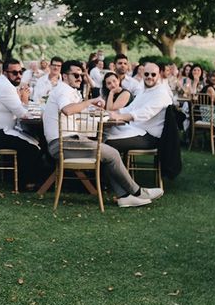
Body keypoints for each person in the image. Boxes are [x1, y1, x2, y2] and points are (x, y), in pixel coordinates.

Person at [43, 60, 163, 208]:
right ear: (65, 76)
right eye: (75, 75)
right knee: (112, 153)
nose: (80, 78)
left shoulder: (67, 90)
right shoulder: (63, 90)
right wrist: (90, 102)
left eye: (81, 75)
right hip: (63, 144)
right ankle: (138, 192)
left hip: (66, 141)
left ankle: (124, 197)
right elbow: (67, 110)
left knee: (106, 154)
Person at [0, 59, 42, 187]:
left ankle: (25, 177)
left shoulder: (3, 83)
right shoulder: (5, 87)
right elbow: (23, 114)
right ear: (4, 72)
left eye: (21, 72)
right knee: (32, 146)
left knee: (35, 141)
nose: (19, 75)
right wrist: (24, 100)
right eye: (14, 72)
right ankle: (26, 183)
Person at [106, 62, 173, 155]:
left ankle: (112, 169)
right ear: (143, 74)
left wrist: (119, 117)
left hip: (150, 137)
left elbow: (144, 113)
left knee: (107, 143)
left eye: (153, 74)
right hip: (136, 130)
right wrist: (110, 113)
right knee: (104, 134)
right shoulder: (143, 91)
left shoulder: (161, 93)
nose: (149, 76)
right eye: (146, 74)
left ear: (159, 76)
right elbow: (131, 108)